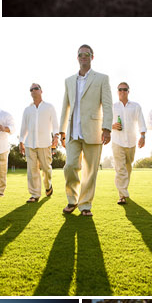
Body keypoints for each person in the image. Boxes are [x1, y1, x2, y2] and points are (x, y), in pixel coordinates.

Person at [59, 42, 113, 217]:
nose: (84, 57)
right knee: (70, 166)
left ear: (92, 57)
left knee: (91, 171)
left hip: (94, 131)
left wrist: (106, 128)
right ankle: (72, 200)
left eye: (87, 54)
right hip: (73, 132)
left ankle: (85, 205)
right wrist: (61, 130)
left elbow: (107, 104)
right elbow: (65, 106)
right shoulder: (68, 80)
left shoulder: (102, 78)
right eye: (81, 54)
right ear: (77, 58)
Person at [20, 83, 58, 203]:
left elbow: (55, 124)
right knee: (32, 170)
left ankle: (48, 185)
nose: (33, 91)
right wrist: (21, 141)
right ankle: (35, 194)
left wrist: (56, 136)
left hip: (45, 143)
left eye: (36, 88)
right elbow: (24, 127)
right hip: (29, 144)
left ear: (41, 91)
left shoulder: (49, 107)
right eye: (31, 89)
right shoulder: (27, 109)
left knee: (46, 169)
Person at [111, 82, 146, 204]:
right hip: (117, 141)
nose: (122, 91)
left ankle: (124, 190)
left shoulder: (136, 106)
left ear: (128, 91)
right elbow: (103, 122)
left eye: (125, 89)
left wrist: (142, 136)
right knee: (120, 169)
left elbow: (141, 122)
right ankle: (122, 195)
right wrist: (112, 126)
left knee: (128, 168)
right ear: (117, 91)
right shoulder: (112, 106)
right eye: (120, 89)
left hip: (131, 142)